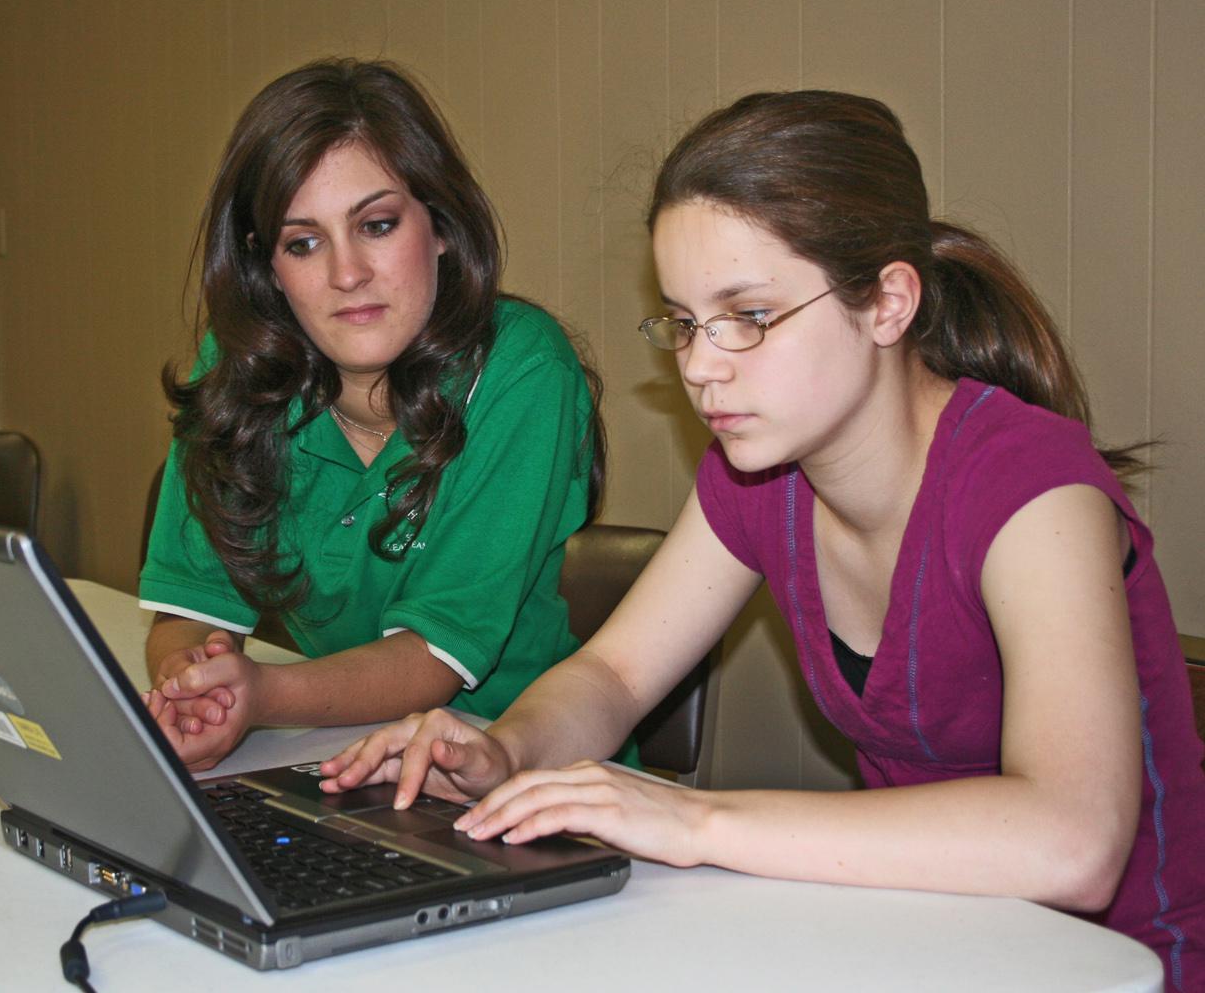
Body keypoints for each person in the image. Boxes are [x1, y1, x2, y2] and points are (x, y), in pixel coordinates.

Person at [317, 90, 1205, 986]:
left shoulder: (1032, 490)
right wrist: (505, 749)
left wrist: (696, 821)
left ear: (889, 303)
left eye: (748, 316)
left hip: (1126, 967)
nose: (701, 365)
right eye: (686, 322)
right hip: (931, 945)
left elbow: (1074, 842)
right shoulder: (761, 476)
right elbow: (616, 675)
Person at [138, 58, 608, 773]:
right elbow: (192, 610)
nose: (346, 273)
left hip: (526, 772)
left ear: (442, 227)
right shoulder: (236, 368)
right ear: (269, 269)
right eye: (303, 243)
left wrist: (260, 694)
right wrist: (195, 684)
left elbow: (432, 660)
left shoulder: (523, 367)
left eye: (378, 225)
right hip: (347, 757)